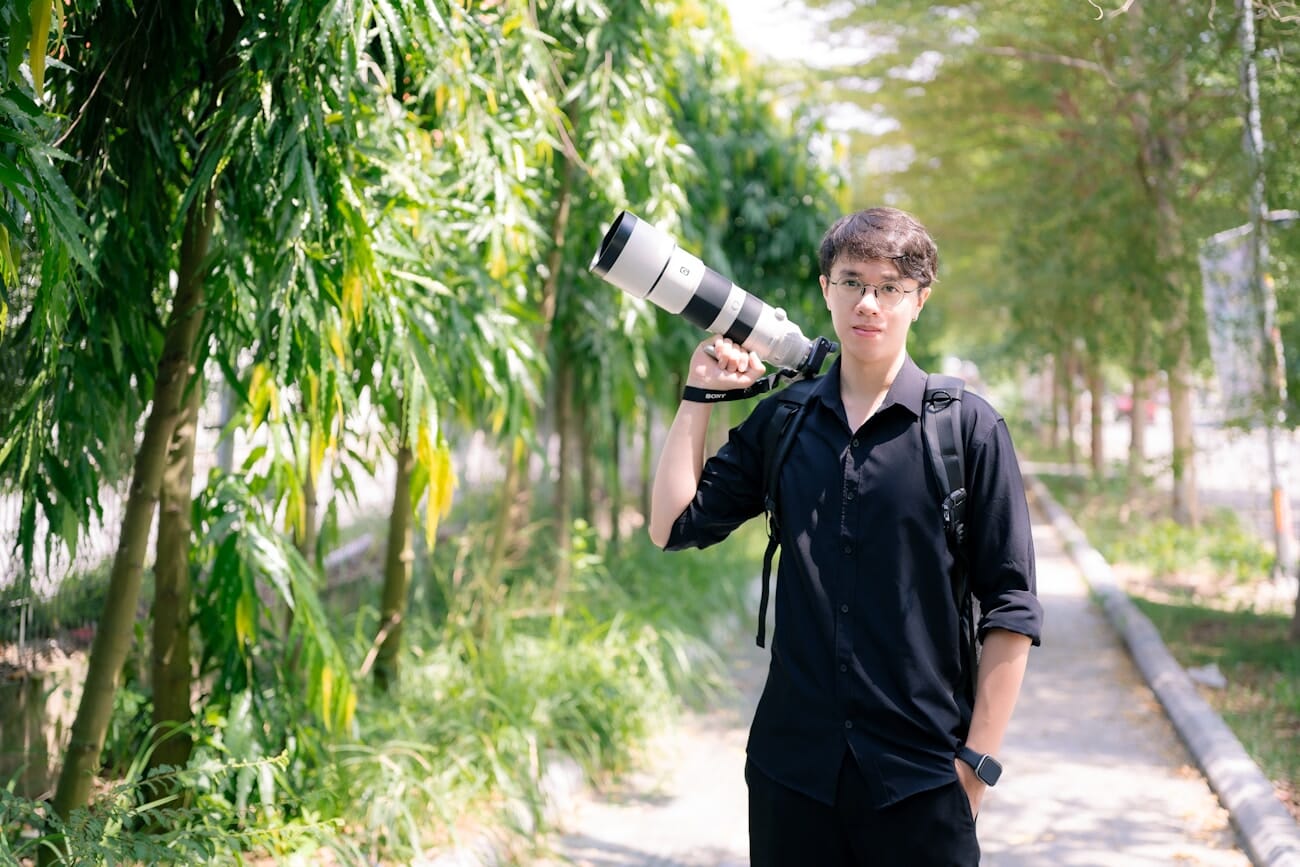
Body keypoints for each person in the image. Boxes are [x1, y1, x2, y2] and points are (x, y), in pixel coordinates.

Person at [647, 207, 1043, 866]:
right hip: (791, 775)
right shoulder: (786, 422)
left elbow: (1010, 607)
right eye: (851, 280)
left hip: (922, 781)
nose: (869, 302)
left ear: (920, 298)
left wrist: (975, 766)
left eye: (890, 287)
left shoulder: (967, 430)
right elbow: (673, 524)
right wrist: (699, 395)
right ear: (825, 286)